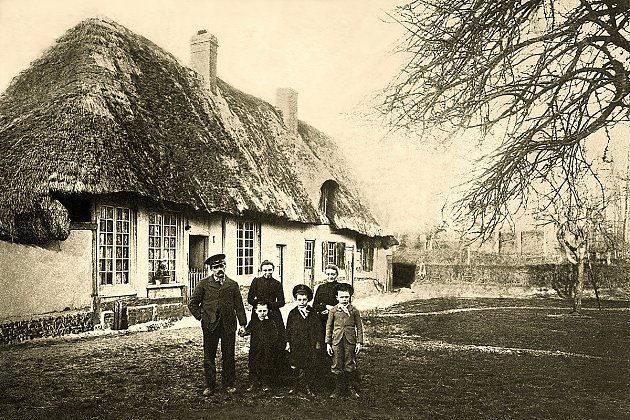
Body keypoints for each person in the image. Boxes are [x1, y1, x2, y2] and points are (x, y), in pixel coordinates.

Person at [188, 253, 247, 397]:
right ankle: (210, 385)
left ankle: (229, 384)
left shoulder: (232, 285)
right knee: (209, 356)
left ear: (225, 266)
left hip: (228, 325)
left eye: (221, 266)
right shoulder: (203, 284)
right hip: (210, 326)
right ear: (211, 269)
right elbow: (193, 304)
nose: (219, 270)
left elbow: (239, 306)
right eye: (215, 267)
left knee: (229, 355)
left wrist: (243, 324)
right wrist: (202, 316)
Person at [247, 259, 288, 375]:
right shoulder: (256, 282)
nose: (267, 272)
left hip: (273, 315)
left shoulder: (277, 283)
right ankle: (255, 375)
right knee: (256, 343)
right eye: (265, 270)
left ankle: (273, 375)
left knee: (275, 342)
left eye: (270, 270)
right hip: (258, 314)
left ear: (273, 270)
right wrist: (260, 306)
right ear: (261, 270)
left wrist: (269, 306)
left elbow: (282, 302)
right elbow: (250, 299)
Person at [325, 282, 364, 399]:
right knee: (336, 363)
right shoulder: (333, 311)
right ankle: (337, 389)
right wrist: (328, 343)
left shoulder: (354, 311)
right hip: (336, 341)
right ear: (337, 297)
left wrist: (359, 342)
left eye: (347, 297)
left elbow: (359, 327)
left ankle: (350, 388)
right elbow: (329, 326)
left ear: (350, 297)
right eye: (341, 297)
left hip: (350, 341)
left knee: (349, 363)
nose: (344, 299)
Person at [285, 284, 321, 396]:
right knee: (295, 365)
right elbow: (288, 328)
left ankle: (307, 386)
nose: (302, 302)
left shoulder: (313, 313)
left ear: (308, 300)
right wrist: (288, 342)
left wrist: (318, 342)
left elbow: (318, 328)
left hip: (309, 343)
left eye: (304, 300)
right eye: (299, 300)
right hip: (296, 343)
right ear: (295, 300)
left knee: (309, 365)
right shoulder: (293, 313)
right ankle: (295, 386)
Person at [244, 300, 285, 392]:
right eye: (260, 311)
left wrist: (270, 343)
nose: (262, 313)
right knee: (253, 364)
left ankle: (265, 383)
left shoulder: (271, 322)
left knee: (266, 364)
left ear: (268, 311)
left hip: (267, 348)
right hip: (255, 348)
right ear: (255, 311)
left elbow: (275, 335)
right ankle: (253, 383)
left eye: (264, 311)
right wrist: (244, 332)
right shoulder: (254, 321)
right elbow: (248, 330)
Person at [312, 264, 343, 384]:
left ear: (336, 275)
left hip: (336, 321)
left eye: (333, 274)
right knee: (322, 347)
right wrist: (325, 307)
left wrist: (332, 309)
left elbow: (345, 303)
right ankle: (323, 377)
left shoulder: (341, 288)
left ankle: (335, 376)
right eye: (328, 274)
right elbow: (315, 305)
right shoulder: (321, 288)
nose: (330, 276)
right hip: (322, 321)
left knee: (335, 347)